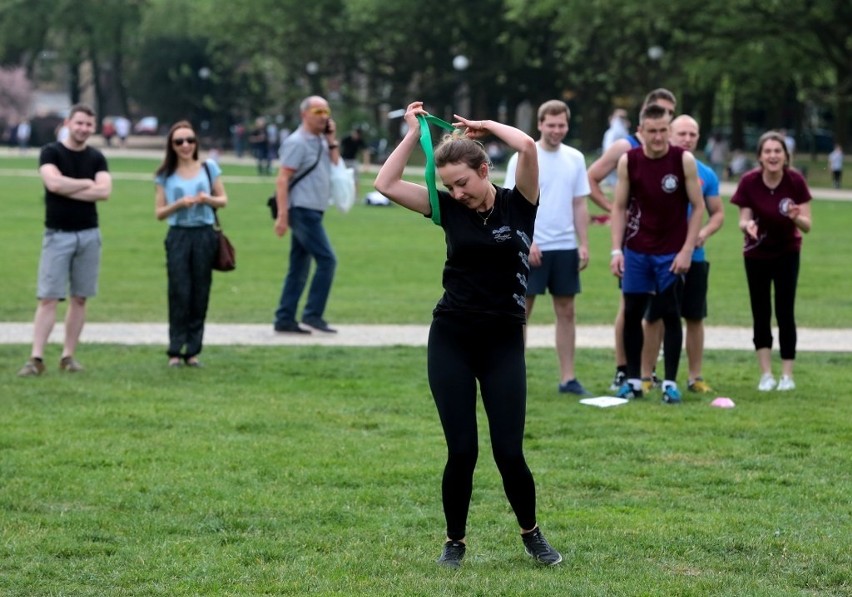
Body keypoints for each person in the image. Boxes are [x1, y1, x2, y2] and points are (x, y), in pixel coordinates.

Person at [374, 101, 563, 568]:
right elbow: (385, 184)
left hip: (502, 342)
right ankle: (454, 542)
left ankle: (532, 534)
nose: (456, 193)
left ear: (484, 169)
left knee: (508, 451)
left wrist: (484, 127)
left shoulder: (521, 203)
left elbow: (526, 145)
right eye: (448, 186)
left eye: (462, 182)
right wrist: (414, 133)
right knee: (462, 449)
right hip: (452, 337)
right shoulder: (446, 210)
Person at [609, 103, 705, 404]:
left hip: (671, 253)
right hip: (637, 250)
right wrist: (617, 250)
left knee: (670, 314)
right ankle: (635, 380)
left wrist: (687, 249)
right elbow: (619, 207)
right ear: (641, 131)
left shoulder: (683, 161)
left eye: (664, 130)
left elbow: (699, 206)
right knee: (633, 313)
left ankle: (670, 383)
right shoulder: (629, 161)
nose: (659, 137)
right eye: (653, 131)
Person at [587, 88, 677, 391]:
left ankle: (648, 372)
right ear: (645, 119)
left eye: (669, 117)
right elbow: (591, 178)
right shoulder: (626, 147)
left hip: (667, 243)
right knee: (630, 306)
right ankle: (623, 369)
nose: (663, 124)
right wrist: (616, 211)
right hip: (635, 242)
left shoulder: (675, 150)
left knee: (661, 309)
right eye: (659, 114)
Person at [17, 104, 112, 377]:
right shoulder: (51, 152)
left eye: (88, 125)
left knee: (80, 298)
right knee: (48, 298)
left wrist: (70, 185)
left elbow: (104, 192)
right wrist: (86, 184)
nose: (83, 129)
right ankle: (36, 357)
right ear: (69, 123)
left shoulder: (96, 157)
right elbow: (53, 185)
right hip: (57, 235)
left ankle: (68, 355)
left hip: (89, 235)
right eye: (79, 123)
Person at [504, 99, 591, 395]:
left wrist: (584, 244)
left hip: (565, 246)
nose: (556, 130)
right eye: (551, 125)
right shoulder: (524, 157)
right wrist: (529, 241)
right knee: (521, 312)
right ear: (540, 125)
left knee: (566, 311)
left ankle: (568, 378)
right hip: (532, 247)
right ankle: (514, 375)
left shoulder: (576, 158)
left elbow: (579, 203)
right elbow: (511, 204)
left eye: (562, 125)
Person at [640, 115, 725, 395]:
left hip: (695, 258)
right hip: (659, 256)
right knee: (655, 317)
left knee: (694, 316)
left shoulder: (706, 174)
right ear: (669, 134)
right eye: (683, 133)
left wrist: (704, 233)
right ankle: (647, 375)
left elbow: (717, 214)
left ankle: (694, 377)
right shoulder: (653, 167)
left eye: (693, 134)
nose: (688, 139)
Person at [731, 131, 811, 391]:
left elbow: (807, 225)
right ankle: (766, 374)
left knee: (785, 311)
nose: (773, 155)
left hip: (787, 252)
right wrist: (748, 226)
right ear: (760, 157)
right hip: (756, 254)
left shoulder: (795, 181)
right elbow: (743, 219)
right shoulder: (749, 182)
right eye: (768, 151)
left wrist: (796, 217)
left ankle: (787, 375)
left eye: (778, 151)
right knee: (761, 311)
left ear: (786, 156)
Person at [154, 121, 228, 368]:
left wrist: (208, 199)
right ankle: (175, 350)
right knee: (179, 292)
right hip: (178, 235)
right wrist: (178, 205)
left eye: (190, 140)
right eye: (179, 141)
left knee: (200, 291)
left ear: (196, 143)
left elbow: (223, 200)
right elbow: (159, 212)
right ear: (172, 146)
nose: (185, 145)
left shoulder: (209, 168)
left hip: (204, 234)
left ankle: (193, 350)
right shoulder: (165, 174)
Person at [273, 96, 339, 334]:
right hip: (301, 209)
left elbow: (336, 165)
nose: (323, 116)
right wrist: (282, 215)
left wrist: (331, 140)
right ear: (304, 114)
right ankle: (312, 314)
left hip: (314, 209)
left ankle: (284, 318)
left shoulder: (321, 140)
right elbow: (282, 179)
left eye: (326, 111)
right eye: (317, 111)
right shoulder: (297, 142)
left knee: (299, 266)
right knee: (327, 260)